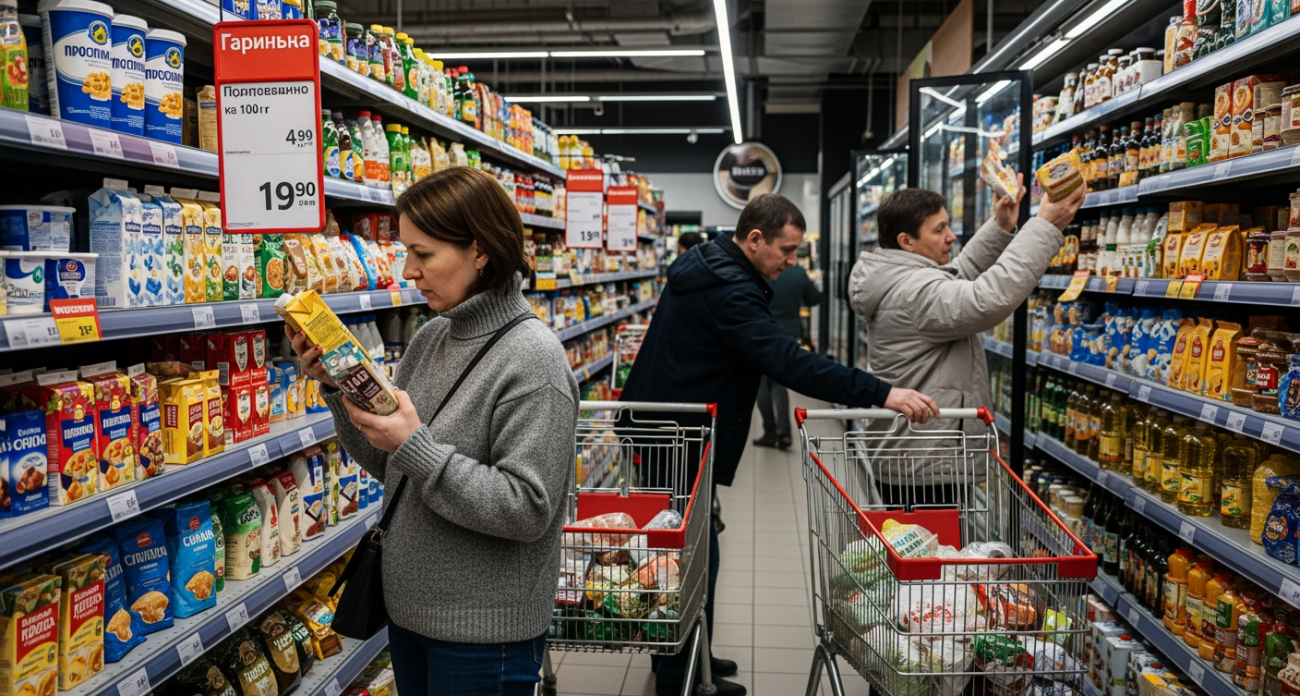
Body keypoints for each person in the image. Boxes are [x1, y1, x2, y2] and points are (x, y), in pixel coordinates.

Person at [618, 193, 938, 696]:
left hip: (669, 430)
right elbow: (788, 361)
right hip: (676, 437)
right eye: (787, 250)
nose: (792, 261)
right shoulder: (730, 291)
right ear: (754, 239)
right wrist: (881, 392)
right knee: (687, 557)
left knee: (689, 549)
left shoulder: (708, 265)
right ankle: (680, 676)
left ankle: (693, 654)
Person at [287, 168, 579, 696]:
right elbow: (394, 468)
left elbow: (527, 509)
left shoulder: (534, 360)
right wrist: (338, 388)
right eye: (406, 251)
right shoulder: (430, 339)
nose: (408, 270)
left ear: (480, 251)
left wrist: (415, 445)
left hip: (483, 635)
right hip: (409, 615)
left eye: (423, 254)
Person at [848, 176, 1085, 506]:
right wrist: (1044, 226)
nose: (951, 236)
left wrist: (1000, 227)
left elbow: (959, 272)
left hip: (917, 452)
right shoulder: (914, 291)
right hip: (924, 461)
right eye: (939, 229)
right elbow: (988, 298)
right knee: (930, 541)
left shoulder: (901, 277)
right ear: (907, 241)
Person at [753, 262, 822, 450]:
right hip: (789, 333)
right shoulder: (798, 272)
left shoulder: (760, 269)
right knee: (779, 383)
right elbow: (814, 298)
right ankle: (783, 432)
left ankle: (770, 432)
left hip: (761, 332)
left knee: (762, 384)